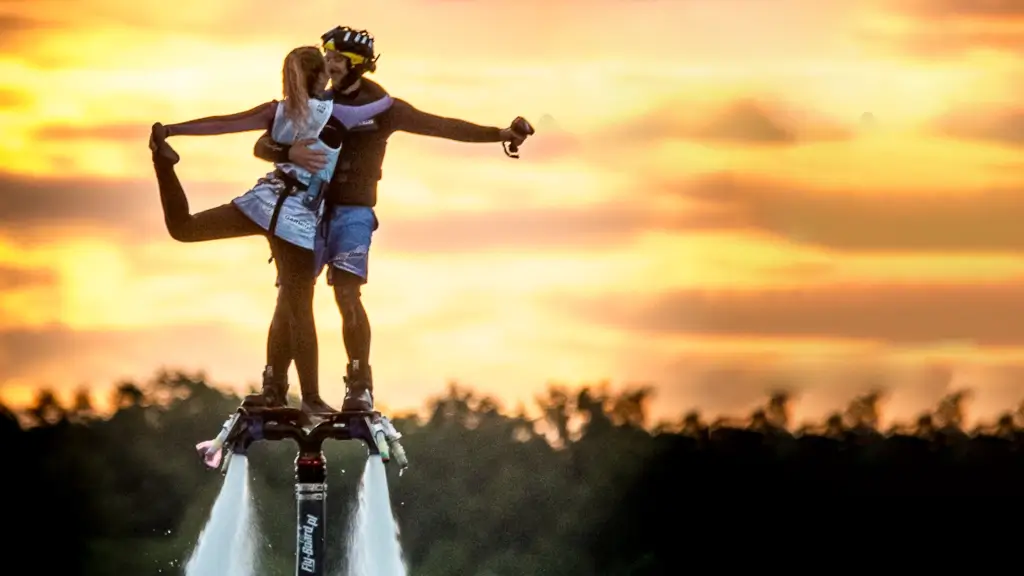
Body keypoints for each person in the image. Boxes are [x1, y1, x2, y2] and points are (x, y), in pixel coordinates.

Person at [252, 27, 533, 412]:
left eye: (336, 59)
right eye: (326, 58)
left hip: (354, 212)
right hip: (310, 211)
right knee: (290, 295)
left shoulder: (385, 108)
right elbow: (266, 142)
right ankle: (275, 386)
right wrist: (283, 151)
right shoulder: (317, 105)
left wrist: (500, 133)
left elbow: (445, 127)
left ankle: (359, 385)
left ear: (355, 66)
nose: (327, 65)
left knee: (347, 293)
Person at [148, 45, 394, 414]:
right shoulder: (335, 113)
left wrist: (171, 131)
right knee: (299, 308)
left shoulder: (275, 111)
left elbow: (222, 123)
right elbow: (381, 104)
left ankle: (163, 166)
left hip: (263, 201)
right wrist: (372, 83)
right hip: (295, 218)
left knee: (184, 228)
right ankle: (310, 397)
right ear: (320, 78)